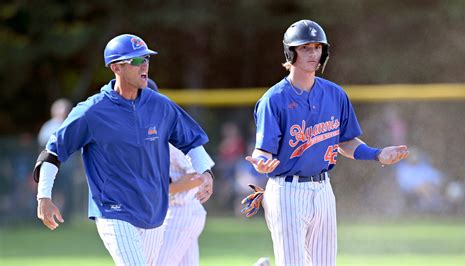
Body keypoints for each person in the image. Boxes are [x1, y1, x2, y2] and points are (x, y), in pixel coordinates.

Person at [33, 34, 215, 265]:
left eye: (147, 59)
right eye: (137, 61)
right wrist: (44, 197)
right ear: (116, 67)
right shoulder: (92, 111)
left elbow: (192, 141)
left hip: (153, 212)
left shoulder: (160, 105)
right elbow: (52, 153)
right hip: (113, 210)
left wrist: (206, 173)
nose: (145, 65)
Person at [244, 20, 409, 266]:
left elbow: (345, 142)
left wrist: (377, 154)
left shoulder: (335, 95)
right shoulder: (274, 100)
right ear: (290, 52)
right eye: (305, 47)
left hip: (323, 190)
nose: (313, 53)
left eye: (318, 47)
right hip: (286, 191)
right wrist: (262, 163)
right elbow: (263, 151)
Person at [156, 144, 209, 265]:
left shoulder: (172, 142)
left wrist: (159, 191)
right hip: (180, 211)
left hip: (181, 213)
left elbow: (197, 177)